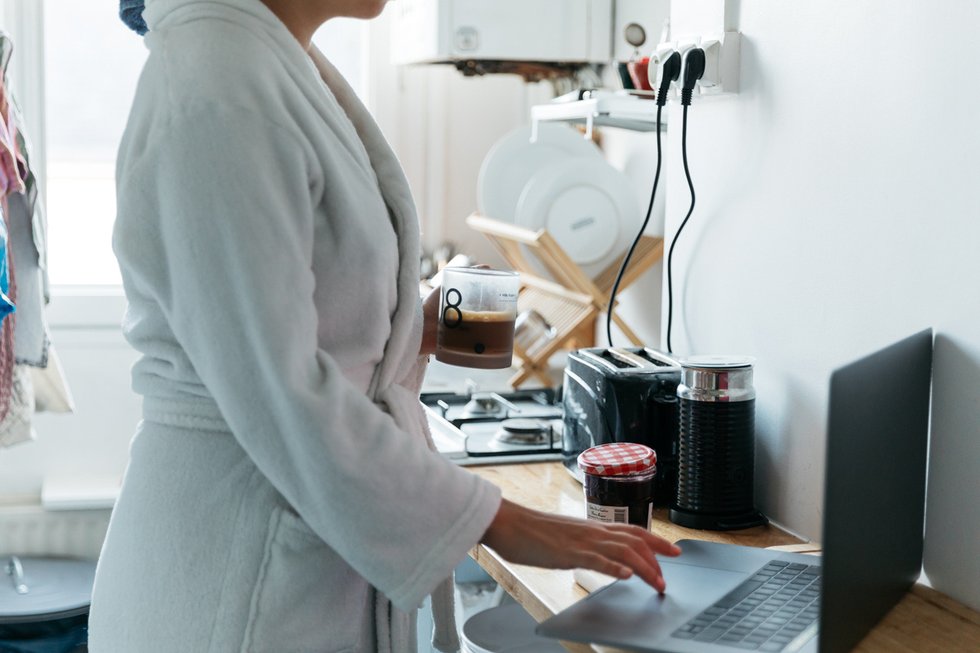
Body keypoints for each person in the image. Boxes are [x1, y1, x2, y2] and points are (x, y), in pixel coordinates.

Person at [89, 0, 681, 650]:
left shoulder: (268, 62)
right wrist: (502, 521)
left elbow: (275, 321)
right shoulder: (218, 82)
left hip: (283, 542)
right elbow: (279, 388)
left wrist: (407, 325)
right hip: (235, 583)